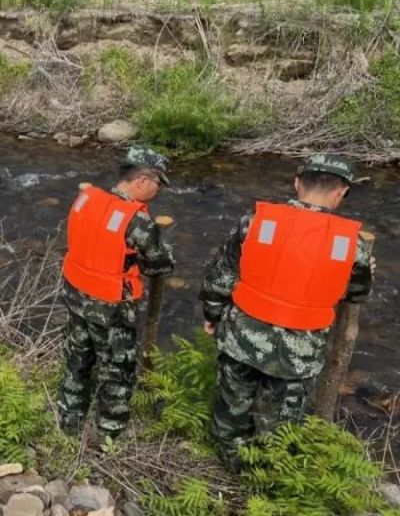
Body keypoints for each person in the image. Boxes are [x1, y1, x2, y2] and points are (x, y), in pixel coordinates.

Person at [200, 154, 374, 469]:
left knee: (231, 407)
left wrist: (212, 314)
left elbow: (221, 276)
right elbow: (358, 293)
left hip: (242, 336)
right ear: (341, 193)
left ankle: (227, 461)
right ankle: (264, 476)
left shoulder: (255, 221)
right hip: (299, 353)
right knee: (279, 423)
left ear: (296, 183)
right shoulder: (353, 245)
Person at [57, 146, 175, 439]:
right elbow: (159, 265)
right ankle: (109, 434)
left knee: (77, 361)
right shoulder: (137, 220)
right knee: (117, 373)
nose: (158, 191)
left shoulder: (86, 198)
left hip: (75, 296)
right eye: (158, 184)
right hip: (111, 309)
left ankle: (68, 422)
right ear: (143, 180)